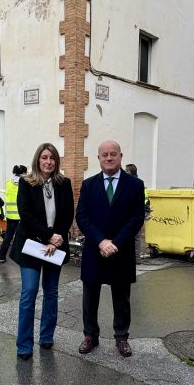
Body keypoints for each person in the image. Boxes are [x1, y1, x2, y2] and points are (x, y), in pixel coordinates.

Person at [76, 140, 146, 357]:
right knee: (90, 297)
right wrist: (101, 241)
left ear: (120, 156)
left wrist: (116, 243)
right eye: (104, 155)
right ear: (98, 158)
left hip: (121, 250)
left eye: (113, 154)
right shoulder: (88, 185)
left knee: (122, 298)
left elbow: (137, 217)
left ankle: (122, 337)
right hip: (94, 250)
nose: (108, 158)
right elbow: (82, 216)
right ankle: (90, 336)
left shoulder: (135, 184)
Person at [9, 144, 74, 360]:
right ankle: (24, 344)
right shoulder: (27, 183)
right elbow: (25, 215)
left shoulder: (64, 183)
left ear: (57, 161)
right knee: (29, 292)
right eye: (44, 157)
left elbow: (67, 215)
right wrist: (47, 237)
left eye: (52, 158)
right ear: (37, 159)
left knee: (51, 292)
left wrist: (55, 241)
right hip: (31, 245)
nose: (48, 162)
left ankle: (46, 336)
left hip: (55, 245)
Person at [0, 164, 27, 263]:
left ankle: (1, 255)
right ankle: (21, 256)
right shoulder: (24, 183)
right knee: (23, 235)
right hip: (21, 214)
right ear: (24, 173)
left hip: (10, 214)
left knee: (8, 235)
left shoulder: (9, 183)